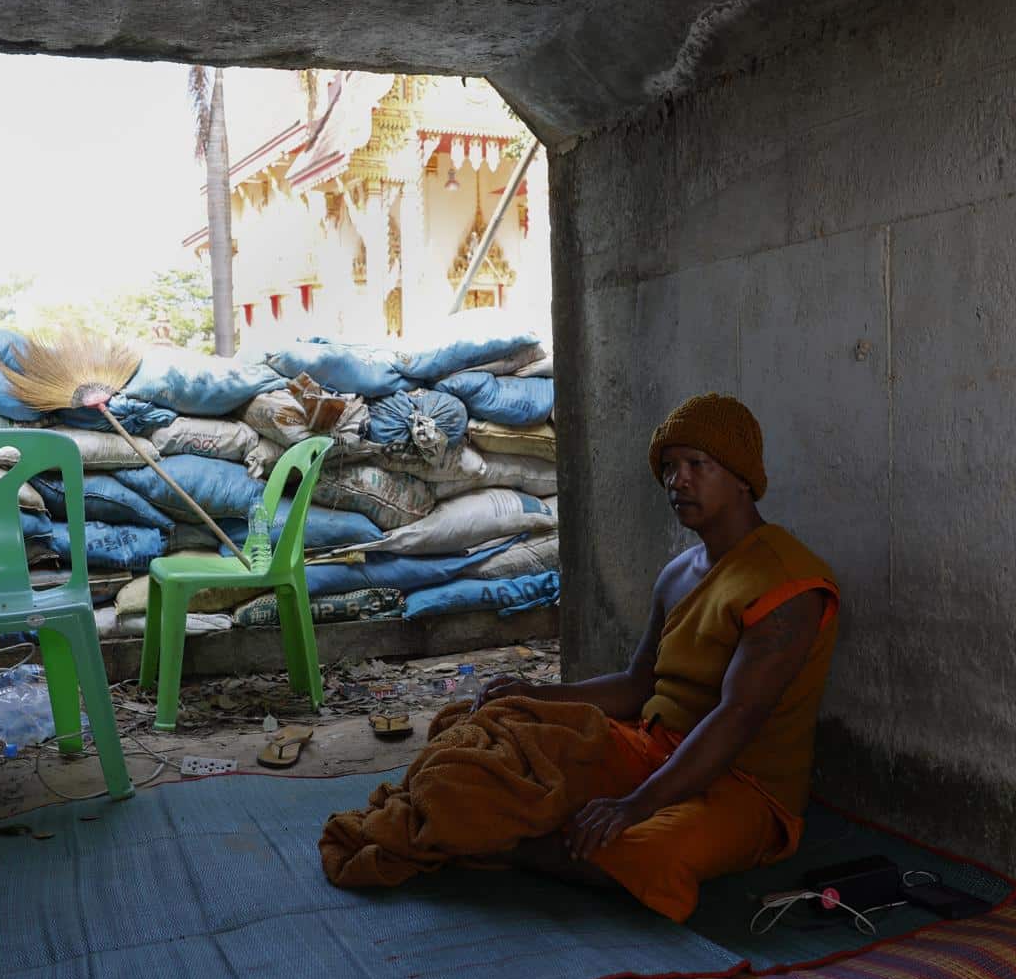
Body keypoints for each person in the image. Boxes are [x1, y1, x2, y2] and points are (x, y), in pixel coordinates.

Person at [320, 393, 839, 921]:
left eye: (696, 465)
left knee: (641, 850)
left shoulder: (786, 583)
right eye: (668, 467)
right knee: (484, 736)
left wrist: (635, 805)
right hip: (645, 746)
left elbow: (736, 719)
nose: (676, 481)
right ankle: (518, 828)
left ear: (742, 476)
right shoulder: (679, 573)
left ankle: (507, 844)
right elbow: (639, 685)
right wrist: (534, 694)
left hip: (741, 787)